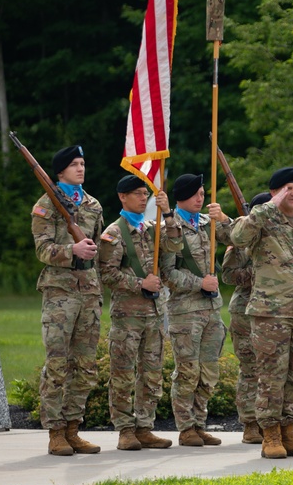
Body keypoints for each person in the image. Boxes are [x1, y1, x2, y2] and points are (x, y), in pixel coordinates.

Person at [230, 168, 293, 459]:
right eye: (287, 188)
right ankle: (270, 434)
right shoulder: (261, 221)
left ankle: (291, 432)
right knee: (271, 376)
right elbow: (236, 236)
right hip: (269, 314)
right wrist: (267, 207)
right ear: (274, 193)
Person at [98, 174, 183, 451]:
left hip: (154, 314)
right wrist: (140, 283)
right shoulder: (114, 232)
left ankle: (145, 427)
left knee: (151, 373)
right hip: (128, 315)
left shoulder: (151, 228)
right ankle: (125, 429)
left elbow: (175, 245)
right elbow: (106, 273)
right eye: (136, 193)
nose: (143, 198)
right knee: (122, 373)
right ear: (122, 197)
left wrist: (168, 213)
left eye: (144, 193)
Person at [31, 145, 105, 457]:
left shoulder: (93, 204)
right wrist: (70, 252)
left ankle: (74, 427)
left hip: (88, 291)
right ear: (59, 171)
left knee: (85, 366)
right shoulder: (46, 204)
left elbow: (98, 247)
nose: (81, 168)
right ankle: (55, 432)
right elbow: (42, 249)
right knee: (58, 365)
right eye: (74, 164)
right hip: (60, 294)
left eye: (83, 163)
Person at [160, 173, 234, 447]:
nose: (201, 198)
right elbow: (167, 273)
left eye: (203, 193)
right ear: (182, 197)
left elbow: (237, 237)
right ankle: (186, 427)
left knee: (209, 371)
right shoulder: (171, 226)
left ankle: (200, 423)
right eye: (195, 194)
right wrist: (198, 282)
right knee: (188, 371)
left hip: (211, 309)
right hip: (185, 311)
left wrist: (224, 218)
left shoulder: (207, 223)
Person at [218, 191, 271, 445]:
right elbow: (228, 275)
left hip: (272, 310)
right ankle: (250, 423)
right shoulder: (240, 239)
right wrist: (259, 273)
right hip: (244, 310)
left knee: (272, 370)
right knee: (250, 368)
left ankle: (270, 421)